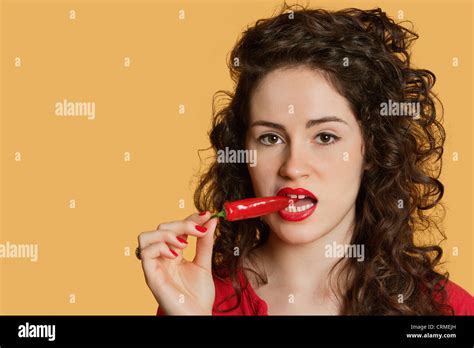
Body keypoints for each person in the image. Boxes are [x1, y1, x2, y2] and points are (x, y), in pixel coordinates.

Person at [137, 3, 474, 315]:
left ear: (372, 149)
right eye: (270, 138)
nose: (293, 167)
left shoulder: (446, 311)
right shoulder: (199, 296)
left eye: (325, 137)